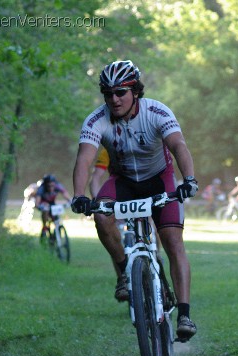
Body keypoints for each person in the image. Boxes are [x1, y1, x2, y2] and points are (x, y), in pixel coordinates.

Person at [70, 60, 198, 341]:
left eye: (120, 92)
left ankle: (185, 313)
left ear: (135, 91)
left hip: (159, 179)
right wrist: (79, 195)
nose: (113, 99)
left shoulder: (156, 111)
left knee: (173, 241)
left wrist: (188, 179)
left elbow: (178, 145)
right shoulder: (96, 119)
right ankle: (123, 273)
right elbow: (85, 159)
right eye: (108, 93)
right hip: (124, 182)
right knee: (101, 215)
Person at [35, 174, 72, 239]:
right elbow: (37, 203)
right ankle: (44, 227)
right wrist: (39, 206)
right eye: (49, 186)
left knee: (57, 218)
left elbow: (66, 195)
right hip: (43, 202)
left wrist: (70, 202)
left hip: (52, 203)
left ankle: (57, 229)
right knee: (45, 210)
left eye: (52, 185)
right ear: (45, 185)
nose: (51, 188)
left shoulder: (58, 186)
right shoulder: (41, 188)